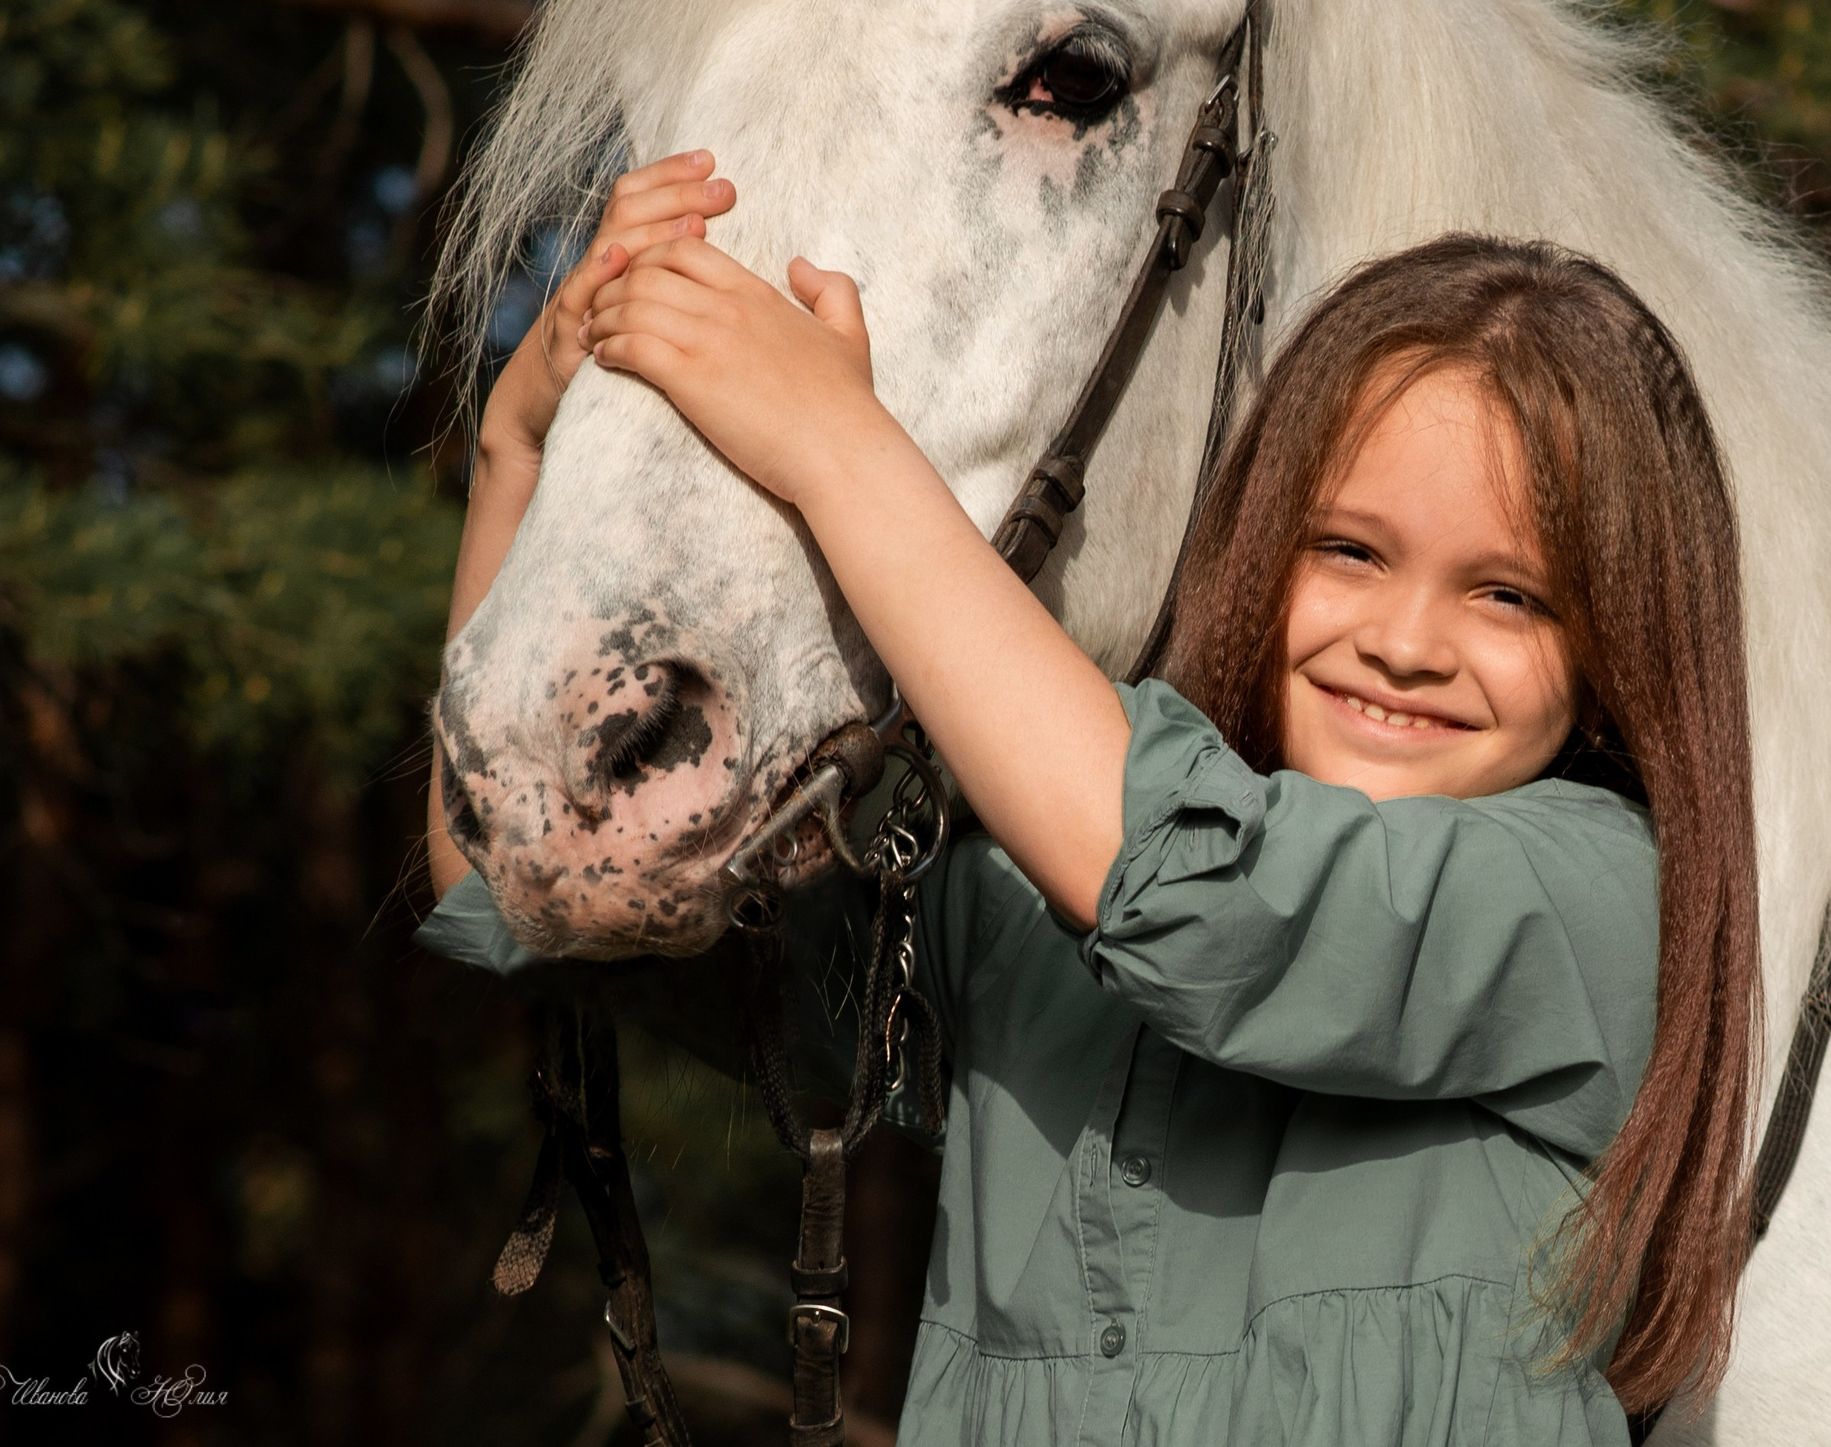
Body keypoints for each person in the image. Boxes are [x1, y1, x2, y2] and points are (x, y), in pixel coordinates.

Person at [421, 150, 1763, 1442]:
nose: (1407, 640)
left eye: (1510, 594)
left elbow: (1207, 897)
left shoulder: (1595, 899)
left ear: (1611, 658)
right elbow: (532, 888)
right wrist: (518, 452)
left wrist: (837, 448)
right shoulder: (1022, 896)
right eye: (1351, 551)